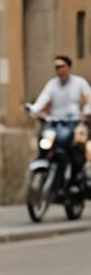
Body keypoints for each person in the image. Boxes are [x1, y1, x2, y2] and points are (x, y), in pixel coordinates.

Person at [29, 54, 91, 189]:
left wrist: (87, 112)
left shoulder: (79, 82)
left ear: (69, 67)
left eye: (62, 66)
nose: (59, 70)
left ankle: (74, 181)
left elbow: (88, 98)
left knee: (74, 149)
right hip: (54, 123)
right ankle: (43, 164)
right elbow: (43, 98)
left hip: (73, 122)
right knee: (44, 141)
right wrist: (34, 110)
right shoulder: (52, 84)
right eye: (56, 67)